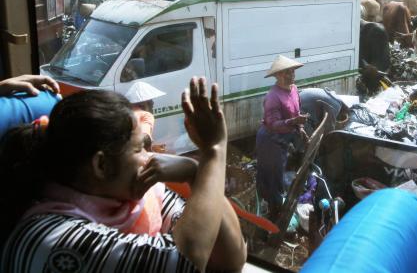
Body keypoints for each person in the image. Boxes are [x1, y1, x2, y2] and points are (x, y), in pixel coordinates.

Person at [0, 77, 247, 272]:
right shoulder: (50, 237)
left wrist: (195, 174)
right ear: (102, 166)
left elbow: (229, 259)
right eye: (139, 149)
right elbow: (185, 262)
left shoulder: (138, 197)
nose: (150, 157)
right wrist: (213, 152)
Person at [255, 55, 309, 219]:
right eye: (286, 72)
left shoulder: (293, 89)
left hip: (284, 138)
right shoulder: (272, 96)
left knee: (275, 174)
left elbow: (297, 111)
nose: (291, 74)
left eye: (292, 71)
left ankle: (269, 205)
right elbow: (273, 124)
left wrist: (300, 127)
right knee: (273, 177)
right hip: (270, 140)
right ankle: (275, 213)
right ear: (277, 75)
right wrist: (294, 121)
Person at [124, 81, 166, 150]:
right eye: (150, 101)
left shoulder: (125, 114)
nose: (153, 103)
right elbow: (144, 139)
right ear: (143, 104)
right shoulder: (146, 115)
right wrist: (151, 151)